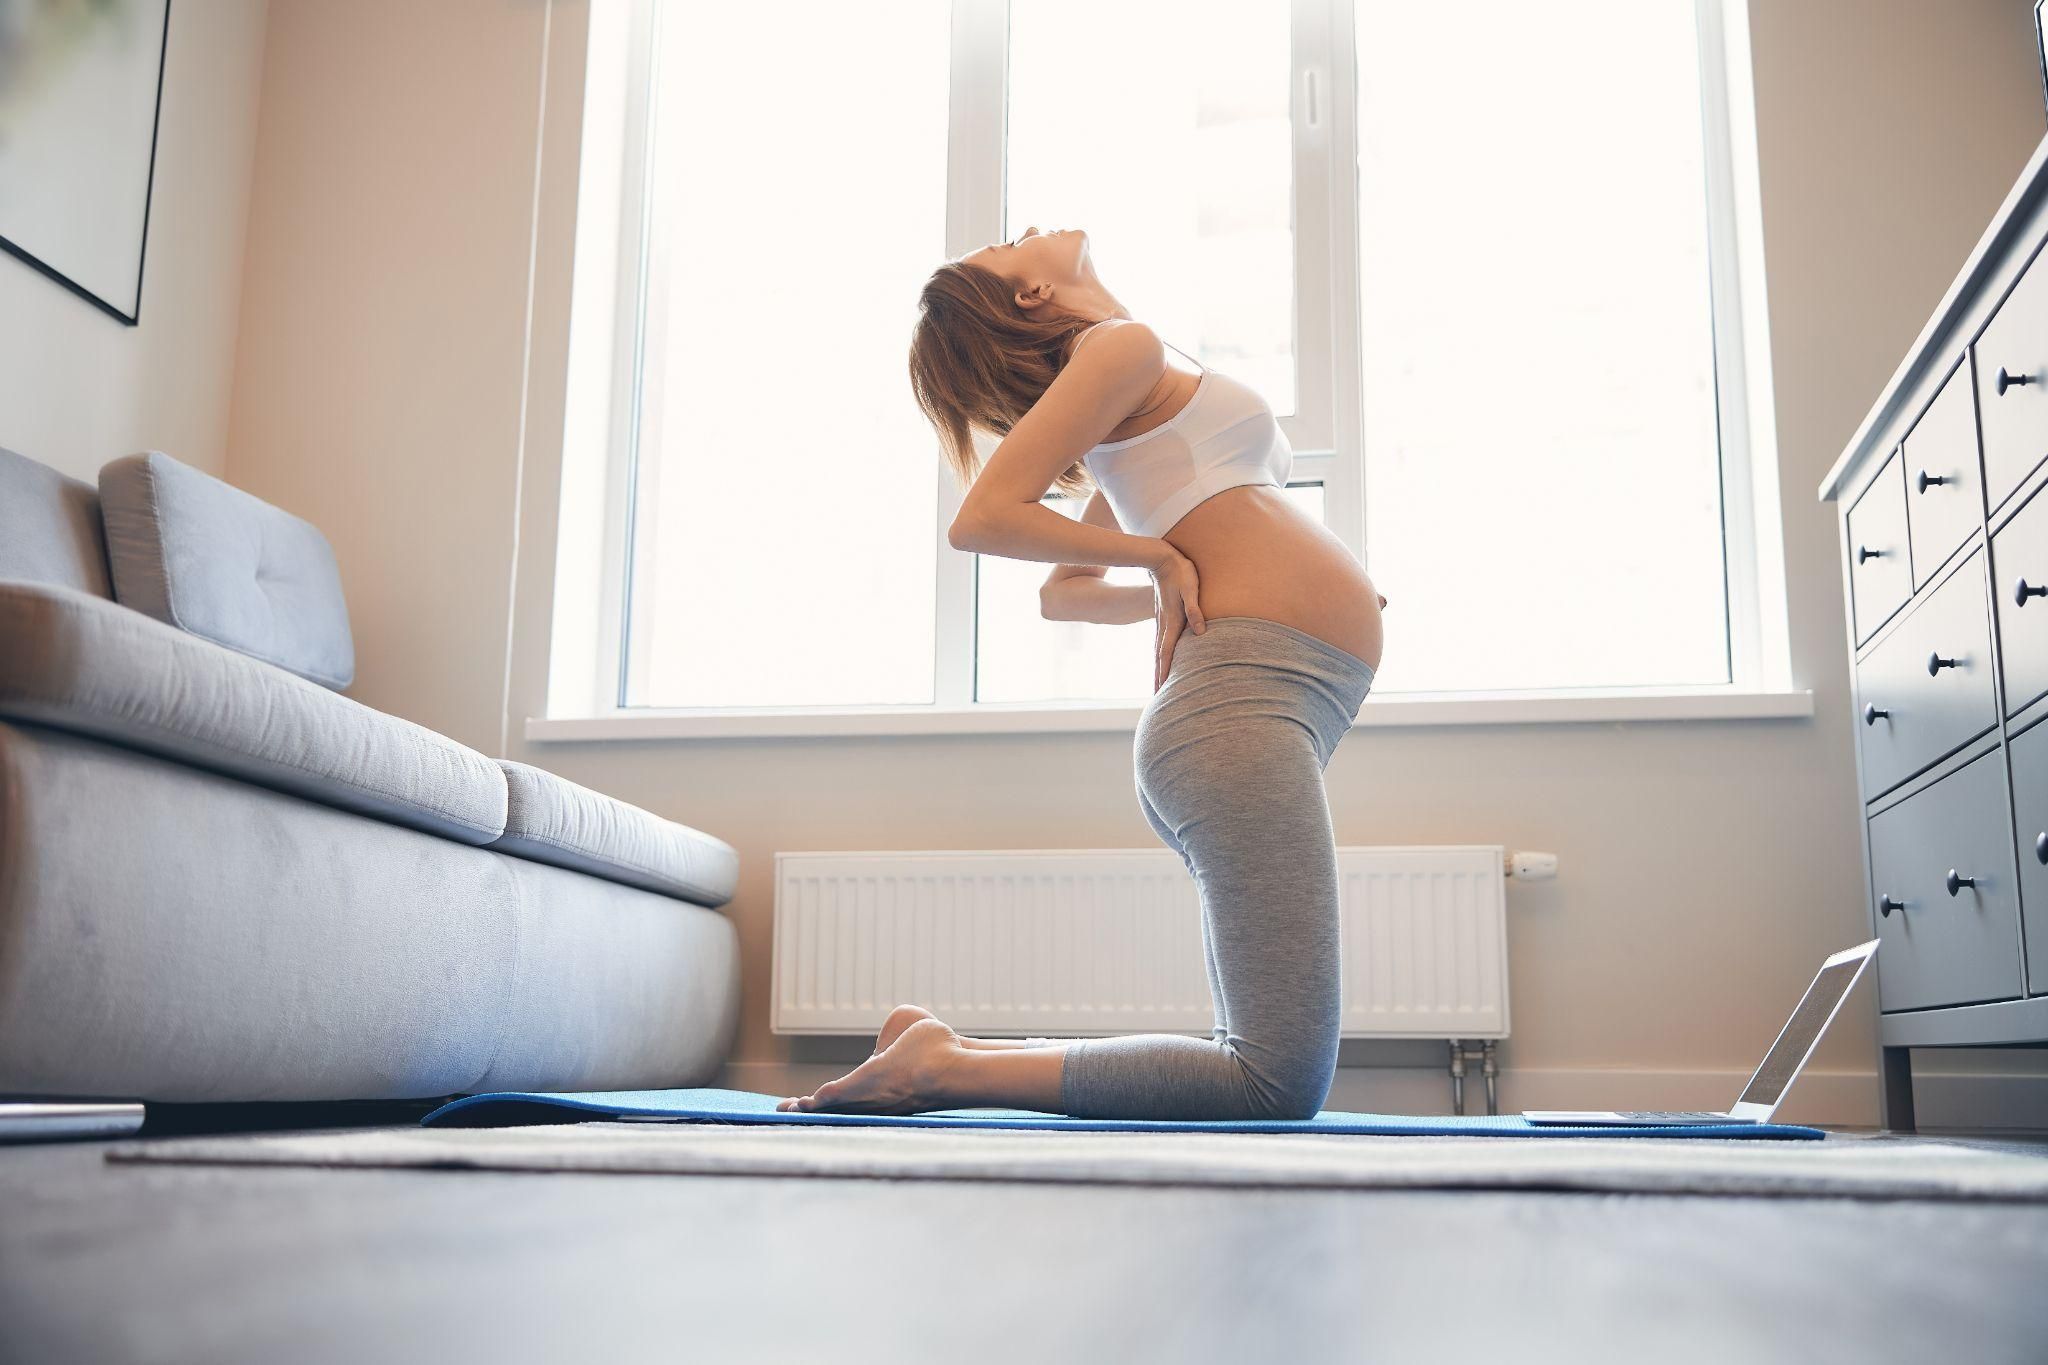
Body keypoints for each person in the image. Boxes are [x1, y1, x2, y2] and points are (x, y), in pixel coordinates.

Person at [776, 225, 1387, 1120]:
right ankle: (944, 1068)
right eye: (1007, 247)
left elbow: (1066, 592)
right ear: (1030, 297)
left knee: (1267, 1062)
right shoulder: (1121, 346)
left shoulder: (1133, 381)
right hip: (1239, 709)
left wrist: (1197, 576)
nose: (1023, 233)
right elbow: (983, 517)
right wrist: (1160, 558)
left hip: (1255, 702)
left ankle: (940, 1053)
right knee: (1276, 1077)